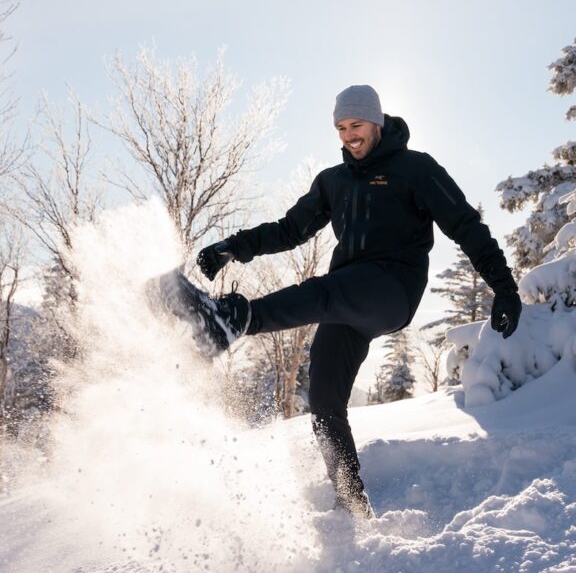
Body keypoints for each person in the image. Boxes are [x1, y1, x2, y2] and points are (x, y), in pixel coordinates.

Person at [194, 85, 522, 518]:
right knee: (325, 400)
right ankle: (351, 505)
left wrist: (504, 286)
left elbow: (465, 225)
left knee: (325, 290)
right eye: (341, 128)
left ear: (377, 123)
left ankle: (236, 318)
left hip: (392, 290)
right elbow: (289, 230)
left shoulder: (416, 170)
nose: (349, 135)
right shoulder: (334, 181)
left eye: (357, 126)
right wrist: (231, 247)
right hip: (346, 299)